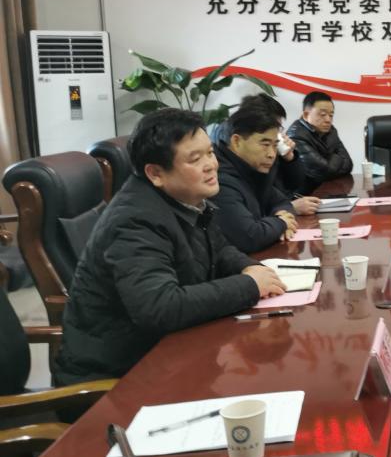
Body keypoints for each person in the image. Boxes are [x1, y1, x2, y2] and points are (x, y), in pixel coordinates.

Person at [54, 108, 286, 385]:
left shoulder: (184, 198)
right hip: (117, 378)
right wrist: (249, 286)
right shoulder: (134, 220)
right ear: (156, 173)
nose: (211, 165)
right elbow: (160, 307)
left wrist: (251, 268)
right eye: (195, 159)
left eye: (210, 153)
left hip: (166, 355)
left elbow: (220, 249)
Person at [215, 107, 316, 254]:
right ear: (236, 142)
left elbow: (282, 202)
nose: (271, 154)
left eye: (275, 145)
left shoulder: (253, 170)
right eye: (265, 144)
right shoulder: (220, 179)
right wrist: (281, 223)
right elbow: (249, 237)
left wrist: (282, 215)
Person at [210, 93, 307, 197]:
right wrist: (291, 205)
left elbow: (293, 184)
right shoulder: (231, 143)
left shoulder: (271, 145)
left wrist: (290, 159)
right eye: (273, 126)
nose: (276, 133)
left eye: (278, 128)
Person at [287, 91, 353, 191]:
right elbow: (323, 172)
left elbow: (348, 165)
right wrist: (335, 157)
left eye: (331, 115)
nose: (328, 120)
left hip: (328, 189)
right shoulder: (296, 135)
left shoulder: (331, 131)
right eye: (323, 114)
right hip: (306, 194)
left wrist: (328, 162)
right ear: (306, 115)